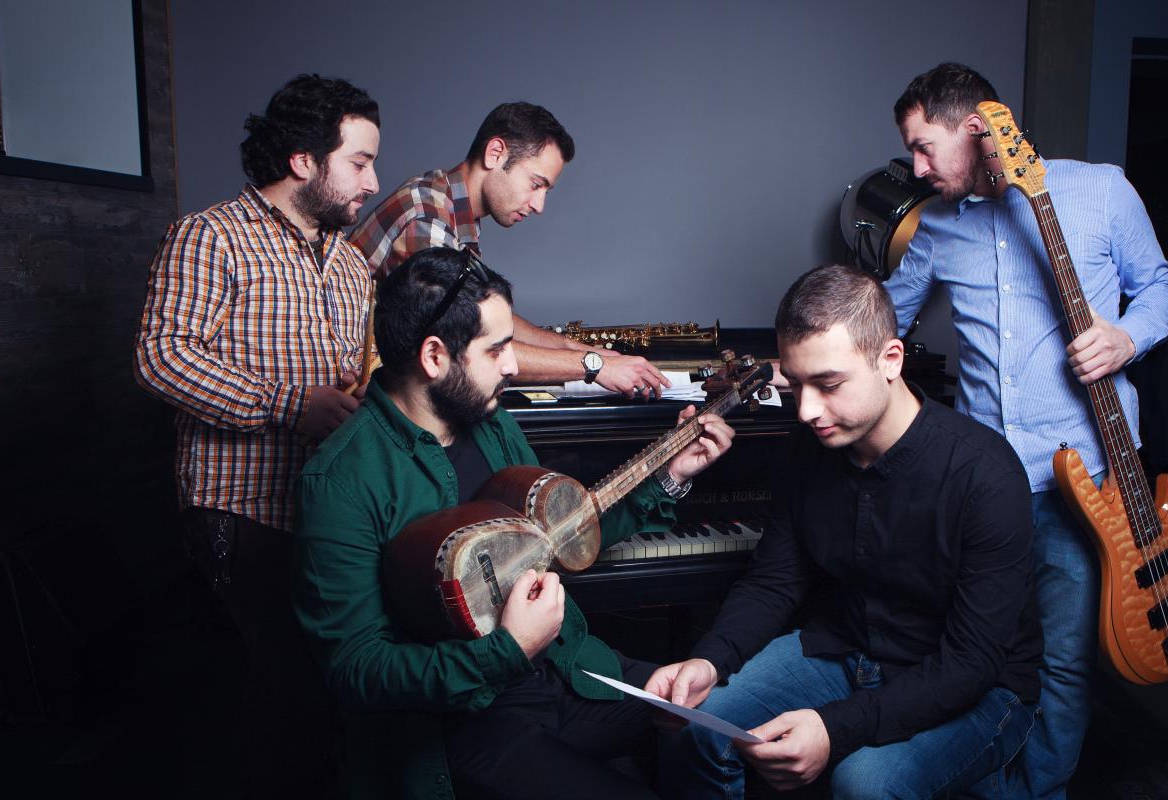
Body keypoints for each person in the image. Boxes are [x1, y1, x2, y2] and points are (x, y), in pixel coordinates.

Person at [292, 246, 736, 799]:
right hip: (463, 727)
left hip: (564, 670)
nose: (512, 364)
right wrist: (506, 650)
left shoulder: (494, 423)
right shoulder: (339, 481)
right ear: (435, 356)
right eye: (497, 349)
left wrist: (670, 477)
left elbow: (563, 533)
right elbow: (357, 669)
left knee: (716, 716)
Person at [884, 63, 1168, 798]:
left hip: (1086, 480)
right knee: (975, 648)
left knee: (1064, 658)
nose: (916, 168)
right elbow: (881, 322)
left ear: (979, 128)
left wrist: (1126, 339)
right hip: (985, 487)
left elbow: (1162, 285)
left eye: (926, 147)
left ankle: (1035, 792)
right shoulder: (935, 229)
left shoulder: (1102, 191)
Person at [653, 264, 1042, 799]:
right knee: (695, 732)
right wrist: (709, 658)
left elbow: (971, 663)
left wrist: (835, 728)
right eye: (795, 386)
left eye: (829, 385)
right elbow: (774, 581)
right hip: (843, 650)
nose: (808, 411)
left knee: (864, 784)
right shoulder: (807, 449)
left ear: (890, 360)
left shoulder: (986, 475)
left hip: (975, 685)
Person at [133, 74, 381, 796]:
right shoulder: (208, 236)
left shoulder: (352, 261)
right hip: (242, 515)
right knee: (281, 700)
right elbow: (160, 356)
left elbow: (351, 369)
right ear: (304, 160)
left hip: (328, 514)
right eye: (359, 161)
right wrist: (285, 404)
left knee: (325, 696)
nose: (372, 180)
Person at [350, 101, 670, 398]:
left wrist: (577, 349)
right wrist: (592, 365)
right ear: (495, 154)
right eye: (535, 184)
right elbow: (467, 348)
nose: (539, 205)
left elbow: (476, 315)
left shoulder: (452, 207)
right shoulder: (429, 217)